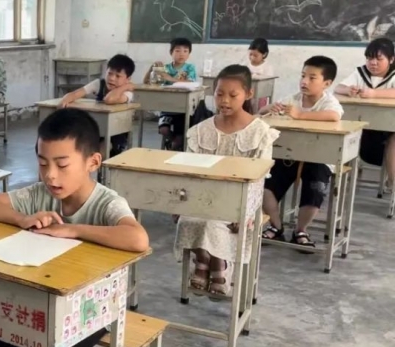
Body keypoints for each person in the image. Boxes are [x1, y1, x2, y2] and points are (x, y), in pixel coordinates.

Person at [0, 108, 149, 347]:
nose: (51, 175)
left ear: (93, 162)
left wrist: (73, 230)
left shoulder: (106, 203)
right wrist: (22, 218)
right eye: (43, 163)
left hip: (90, 311)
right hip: (39, 303)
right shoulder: (40, 195)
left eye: (62, 165)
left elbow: (138, 239)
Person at [174, 65, 279, 296]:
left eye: (233, 95)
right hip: (204, 199)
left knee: (213, 224)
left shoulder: (260, 132)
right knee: (191, 219)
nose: (225, 100)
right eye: (219, 94)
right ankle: (205, 261)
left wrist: (247, 213)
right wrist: (180, 204)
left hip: (242, 203)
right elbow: (189, 174)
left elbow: (259, 180)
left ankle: (216, 263)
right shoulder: (200, 131)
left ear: (248, 94)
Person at [259, 56, 343, 250]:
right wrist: (269, 108)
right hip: (290, 156)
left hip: (318, 158)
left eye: (312, 78)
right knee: (264, 184)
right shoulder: (293, 99)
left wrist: (301, 115)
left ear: (327, 83)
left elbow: (334, 115)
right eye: (303, 76)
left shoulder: (328, 102)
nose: (304, 81)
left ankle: (300, 230)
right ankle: (276, 226)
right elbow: (263, 112)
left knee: (315, 189)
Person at [334, 37, 395, 189]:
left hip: (388, 130)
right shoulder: (361, 72)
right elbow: (338, 88)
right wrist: (348, 90)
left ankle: (393, 183)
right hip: (363, 129)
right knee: (344, 132)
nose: (373, 63)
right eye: (369, 58)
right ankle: (341, 181)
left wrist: (374, 93)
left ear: (391, 59)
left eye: (379, 59)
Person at [59, 53, 136, 156]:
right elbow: (77, 93)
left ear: (128, 79)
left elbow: (109, 99)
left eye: (118, 76)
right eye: (109, 73)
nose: (112, 78)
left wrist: (125, 87)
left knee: (99, 152)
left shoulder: (127, 93)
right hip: (97, 131)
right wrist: (65, 100)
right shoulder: (99, 84)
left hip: (116, 137)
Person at [144, 37, 198, 151]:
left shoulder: (190, 68)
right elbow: (146, 82)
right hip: (167, 108)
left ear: (189, 54)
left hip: (182, 111)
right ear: (171, 52)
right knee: (164, 130)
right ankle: (172, 142)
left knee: (179, 138)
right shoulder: (165, 68)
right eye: (177, 51)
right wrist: (152, 68)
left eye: (185, 51)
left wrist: (169, 78)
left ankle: (175, 145)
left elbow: (190, 82)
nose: (181, 54)